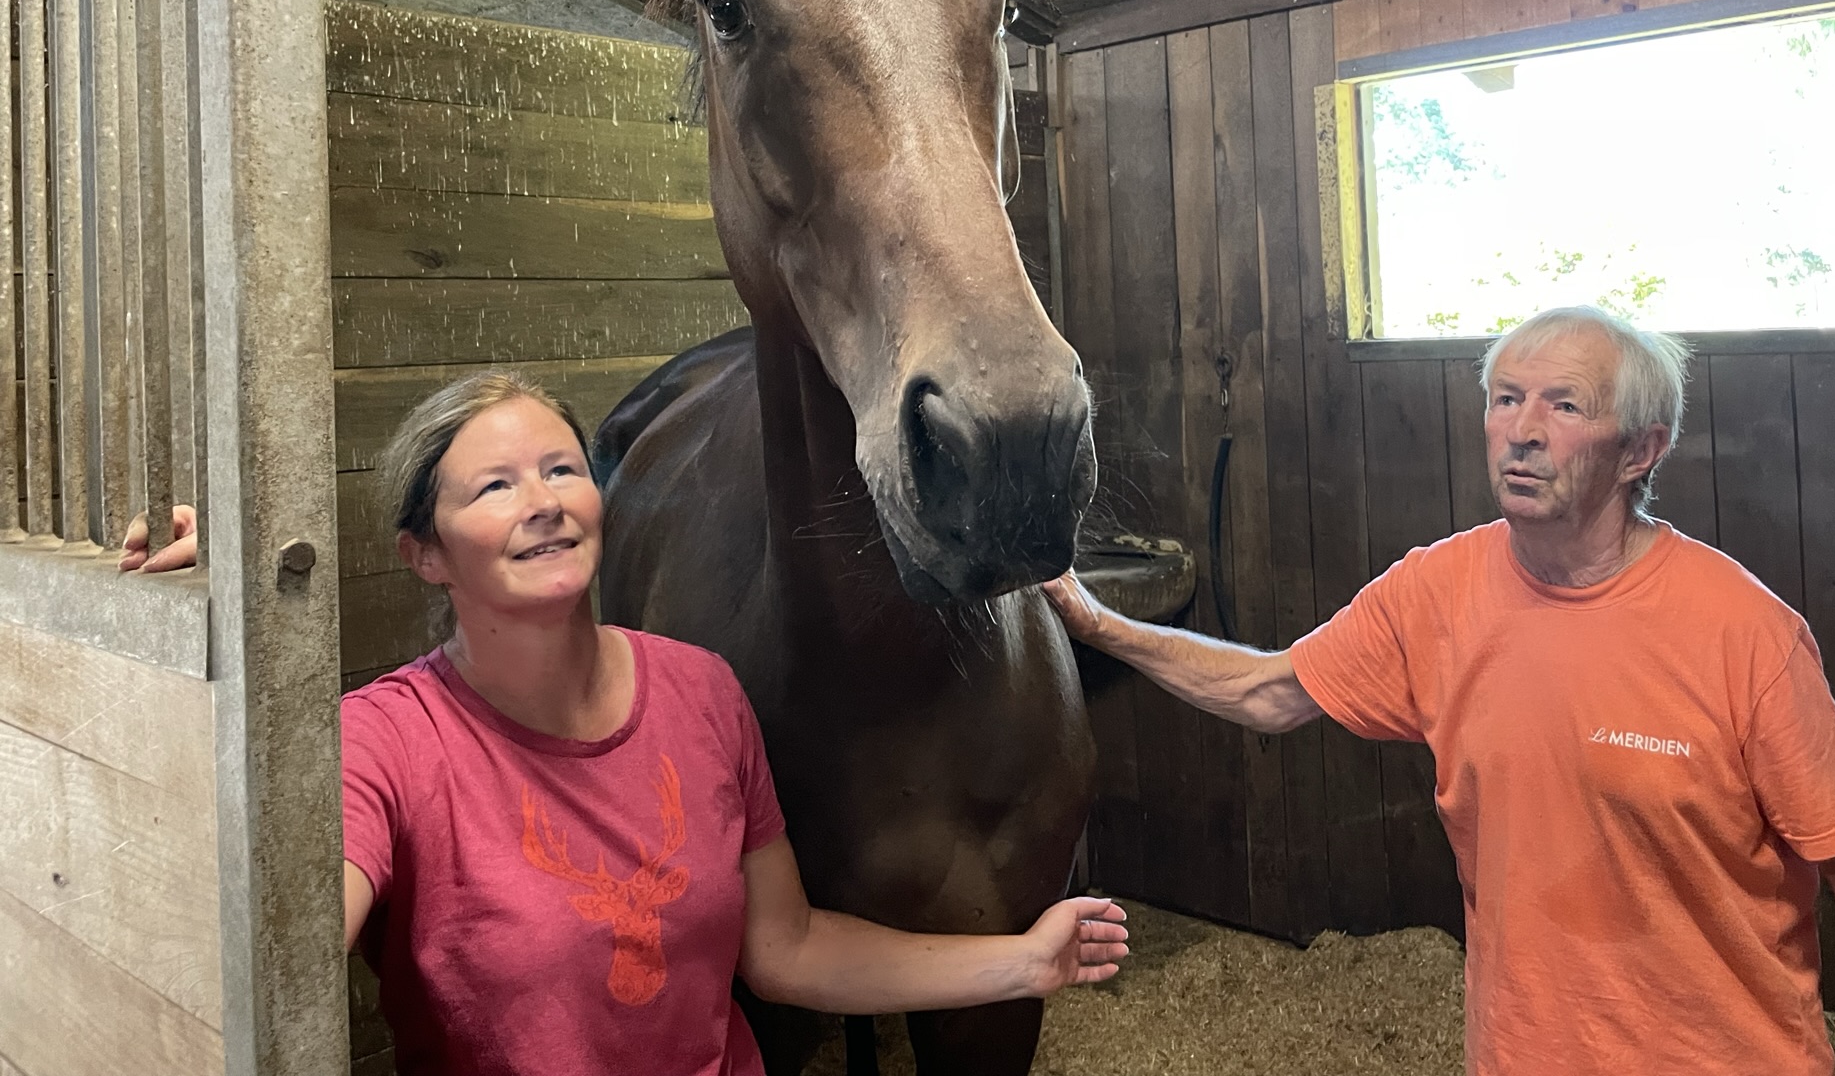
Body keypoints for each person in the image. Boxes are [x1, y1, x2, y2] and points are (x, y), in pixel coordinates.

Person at [125, 370, 1126, 1076]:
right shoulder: (386, 741)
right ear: (424, 554)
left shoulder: (701, 693)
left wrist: (1022, 962)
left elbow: (785, 951)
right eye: (495, 486)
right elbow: (270, 952)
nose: (543, 503)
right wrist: (190, 663)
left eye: (562, 471)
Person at [1041, 304, 1835, 1076]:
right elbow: (1271, 692)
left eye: (1565, 405)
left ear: (1641, 451)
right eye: (1506, 399)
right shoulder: (1439, 591)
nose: (1523, 429)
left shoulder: (1745, 635)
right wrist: (1099, 624)